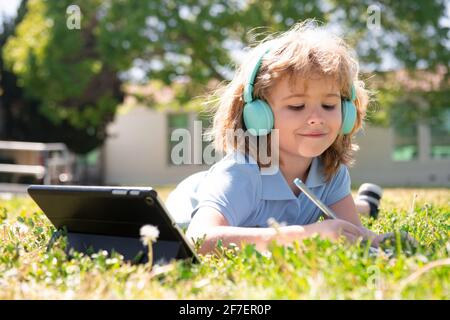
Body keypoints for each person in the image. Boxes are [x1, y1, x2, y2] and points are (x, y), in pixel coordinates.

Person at [166, 20, 386, 254]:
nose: (316, 118)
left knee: (347, 208)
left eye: (329, 105)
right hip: (196, 194)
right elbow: (200, 239)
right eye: (297, 106)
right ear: (258, 116)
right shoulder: (240, 174)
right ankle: (366, 204)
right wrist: (305, 235)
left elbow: (353, 233)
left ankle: (366, 205)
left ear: (347, 112)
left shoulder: (331, 171)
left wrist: (382, 241)